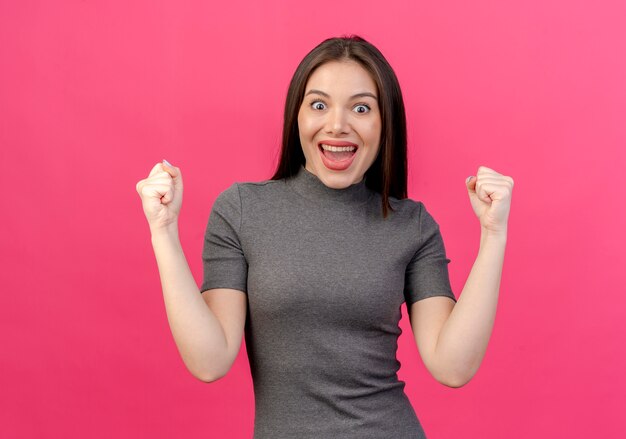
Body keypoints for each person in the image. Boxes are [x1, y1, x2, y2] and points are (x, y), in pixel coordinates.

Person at [136, 36, 514, 439]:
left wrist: (494, 234)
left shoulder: (412, 225)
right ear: (296, 117)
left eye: (361, 108)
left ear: (384, 123)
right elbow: (209, 360)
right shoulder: (242, 211)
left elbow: (452, 366)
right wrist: (163, 232)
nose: (337, 124)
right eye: (319, 105)